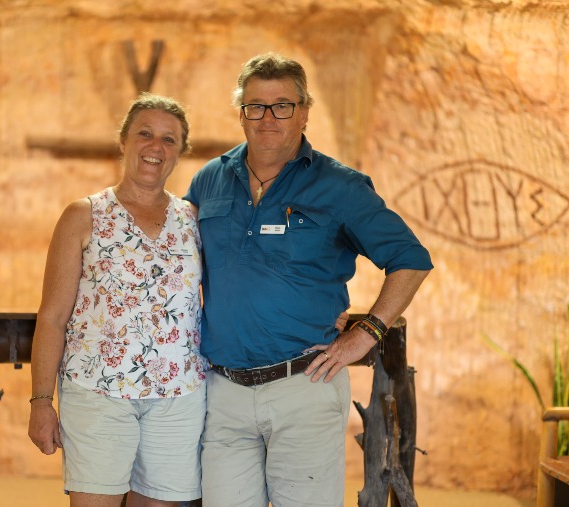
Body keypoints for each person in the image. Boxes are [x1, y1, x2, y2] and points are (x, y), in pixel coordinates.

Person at [184, 53, 433, 506]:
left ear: (304, 112)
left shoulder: (340, 187)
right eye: (255, 106)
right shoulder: (209, 180)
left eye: (282, 105)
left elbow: (410, 260)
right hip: (222, 394)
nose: (268, 118)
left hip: (304, 385)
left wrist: (365, 333)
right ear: (241, 113)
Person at [27, 93, 207, 507]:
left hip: (177, 397)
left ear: (180, 152)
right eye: (145, 133)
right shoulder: (83, 215)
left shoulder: (194, 220)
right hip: (97, 391)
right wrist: (41, 401)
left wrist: (322, 307)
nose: (155, 146)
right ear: (123, 140)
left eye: (169, 139)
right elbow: (52, 317)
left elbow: (233, 289)